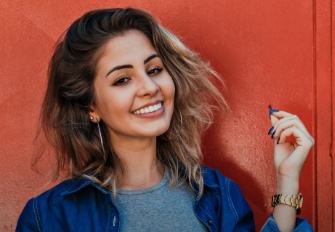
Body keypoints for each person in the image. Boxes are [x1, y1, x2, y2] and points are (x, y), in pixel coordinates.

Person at [16, 8, 314, 232]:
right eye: (122, 80)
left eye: (154, 69)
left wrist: (287, 182)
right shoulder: (52, 216)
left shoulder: (217, 193)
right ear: (90, 106)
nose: (149, 87)